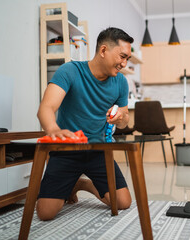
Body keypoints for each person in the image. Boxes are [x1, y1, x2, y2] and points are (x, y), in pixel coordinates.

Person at [36, 27, 134, 220]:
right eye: (122, 57)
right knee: (45, 213)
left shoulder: (121, 82)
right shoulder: (70, 71)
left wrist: (121, 119)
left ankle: (83, 184)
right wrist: (54, 129)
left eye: (127, 59)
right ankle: (73, 182)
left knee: (123, 202)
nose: (124, 63)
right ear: (103, 50)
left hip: (98, 151)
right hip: (66, 151)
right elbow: (45, 108)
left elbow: (124, 121)